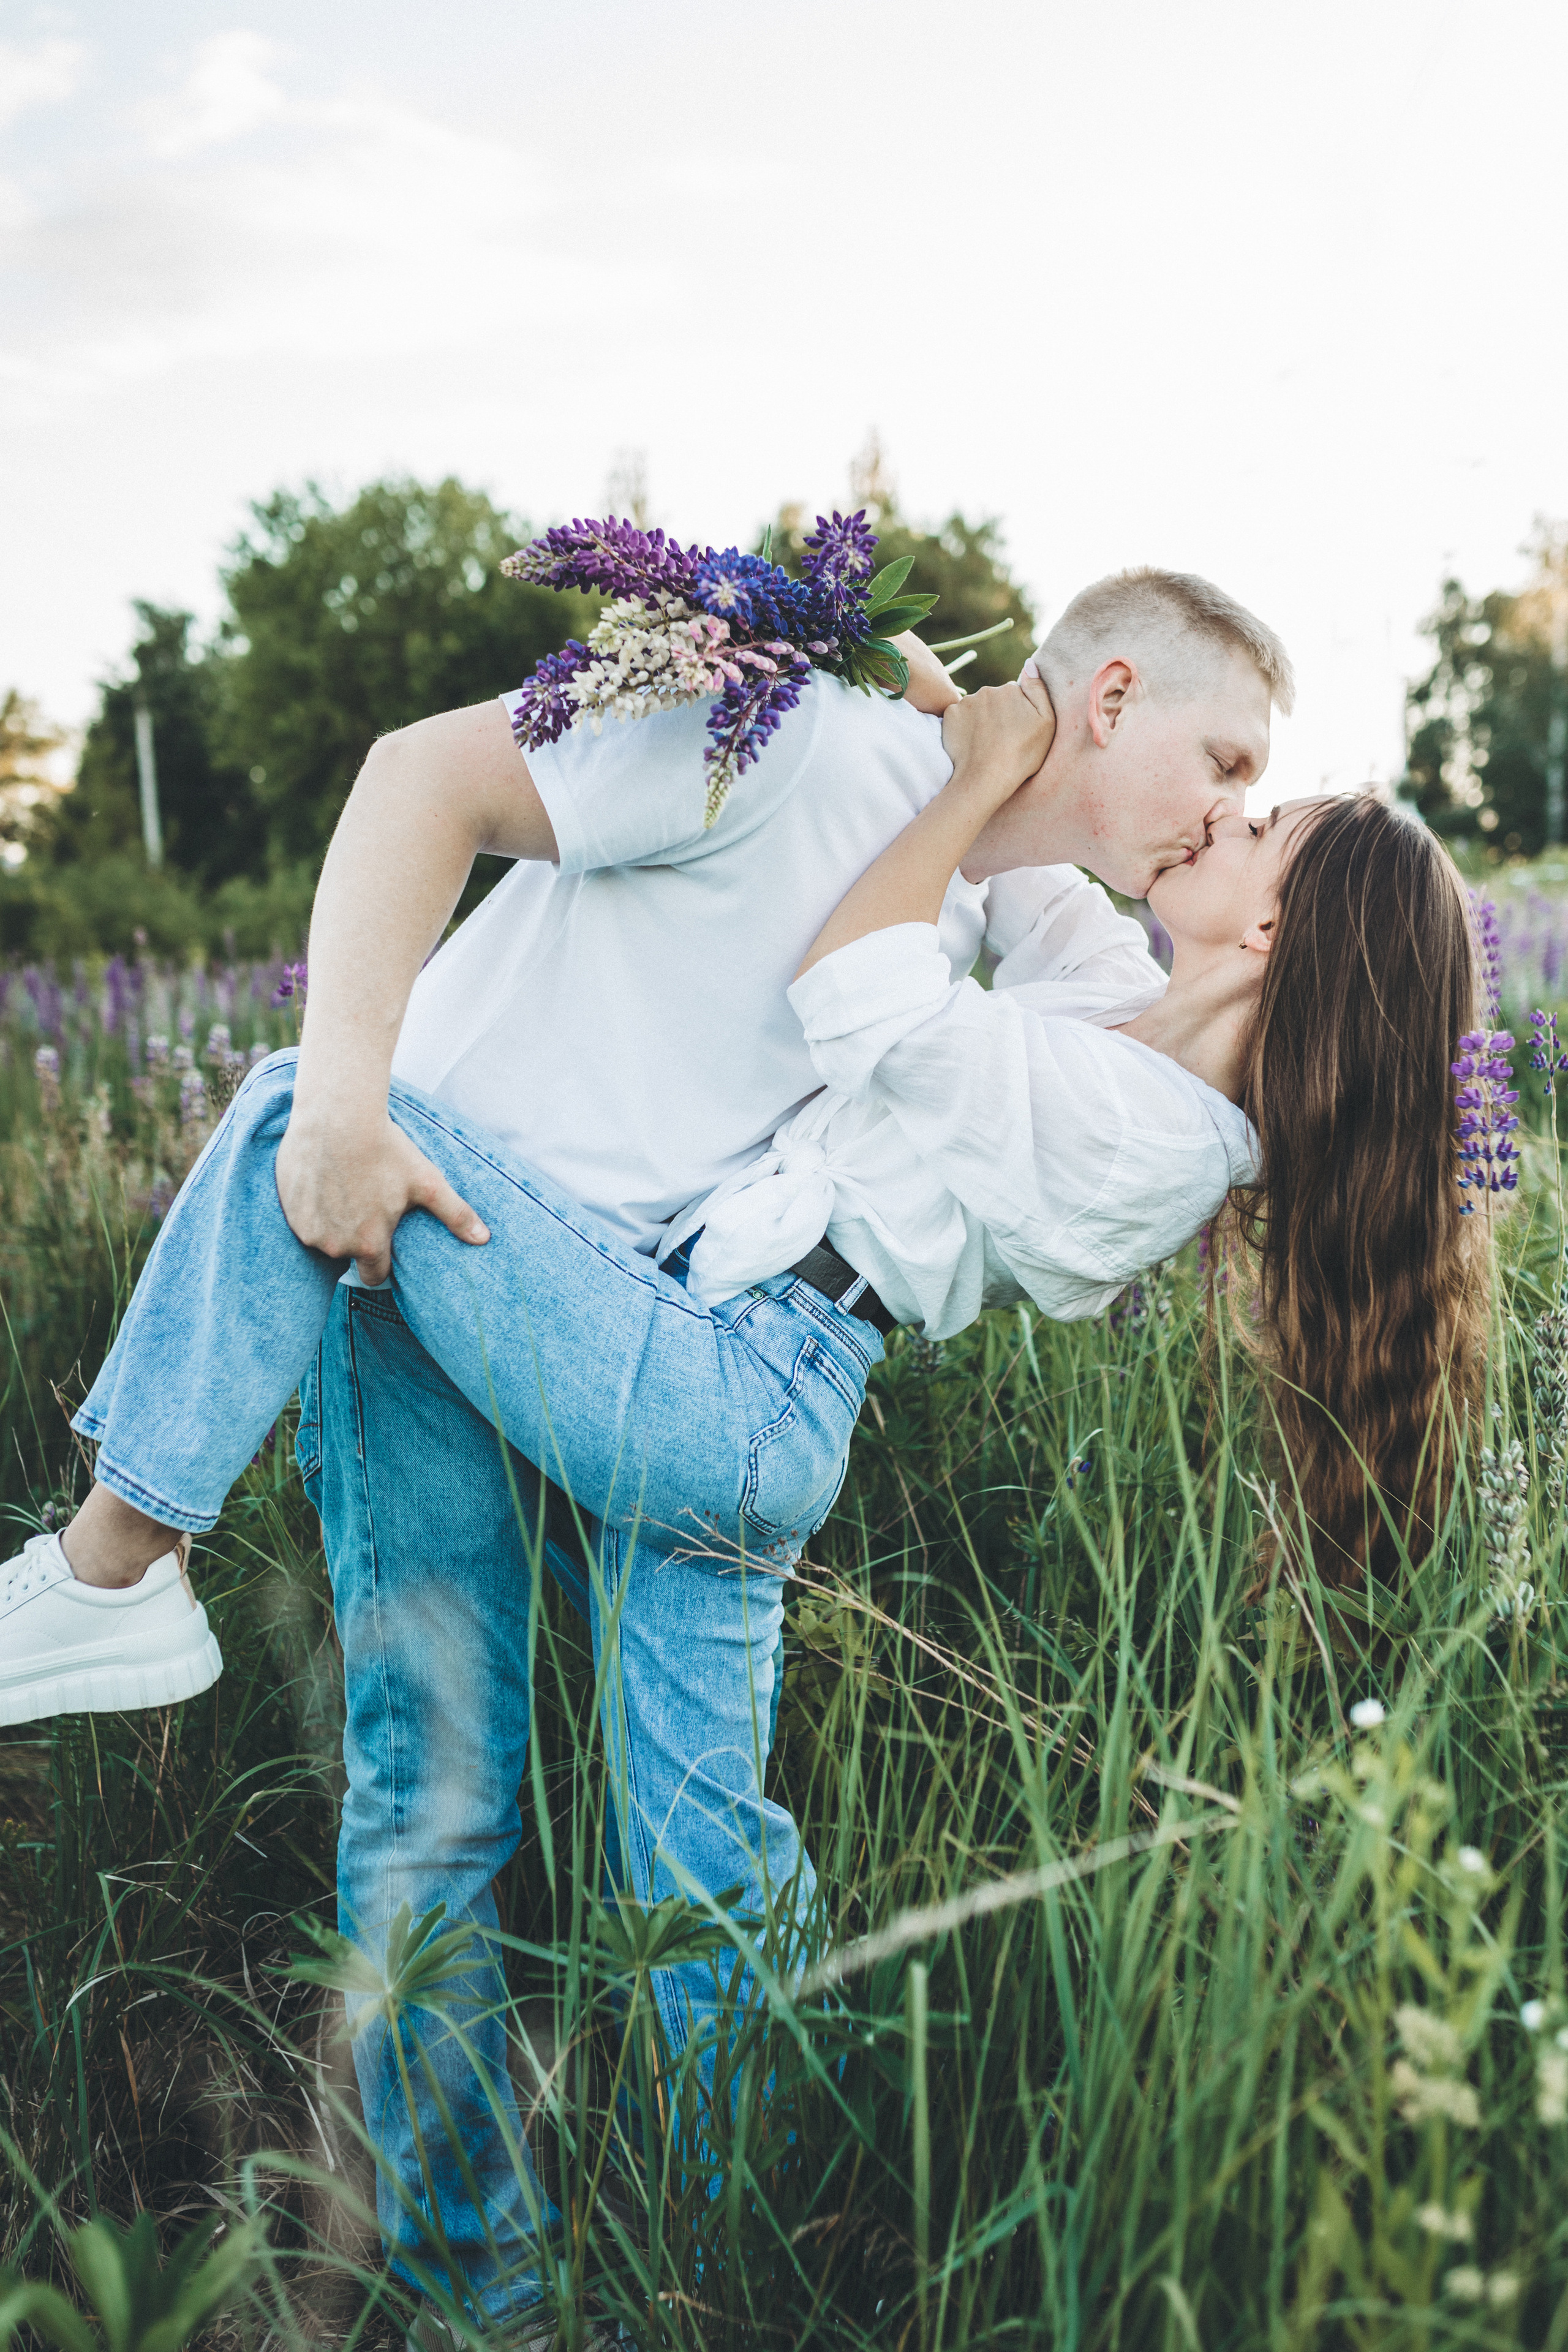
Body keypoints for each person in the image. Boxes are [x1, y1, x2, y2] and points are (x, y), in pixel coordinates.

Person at [1, 570, 1308, 2335]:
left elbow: (881, 985)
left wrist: (969, 784)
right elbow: (416, 776)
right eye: (1225, 758)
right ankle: (536, 2297)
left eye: (1264, 800)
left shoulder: (1067, 998)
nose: (1231, 808)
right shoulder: (818, 749)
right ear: (1117, 693)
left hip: (665, 1343)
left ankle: (111, 1568)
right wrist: (342, 1110)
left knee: (643, 1856)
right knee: (498, 1815)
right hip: (448, 1273)